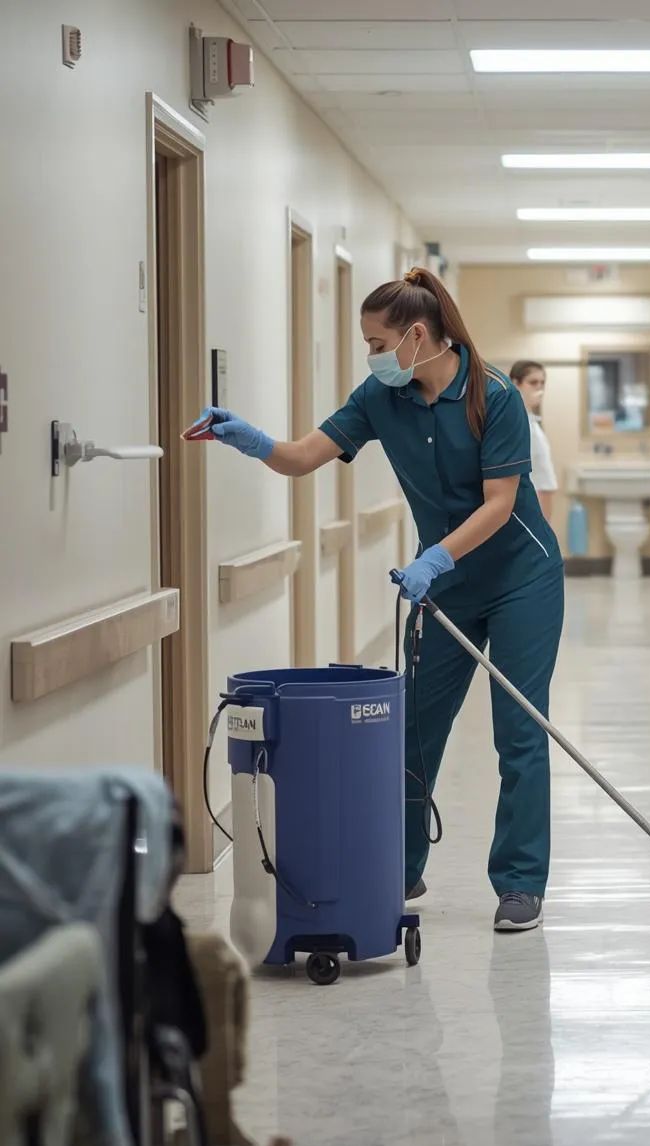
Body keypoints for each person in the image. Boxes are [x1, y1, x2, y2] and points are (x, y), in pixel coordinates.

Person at [192, 268, 564, 932]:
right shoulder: (379, 396)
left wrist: (435, 556)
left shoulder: (494, 394)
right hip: (446, 582)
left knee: (518, 730)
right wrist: (248, 438)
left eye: (374, 341)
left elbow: (501, 505)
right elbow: (304, 456)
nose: (370, 355)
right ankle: (399, 868)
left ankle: (519, 882)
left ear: (417, 336)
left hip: (519, 579)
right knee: (413, 730)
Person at [510, 360, 557, 520]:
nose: (539, 388)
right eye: (533, 382)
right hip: (528, 505)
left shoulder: (533, 423)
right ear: (516, 384)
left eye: (542, 383)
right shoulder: (513, 423)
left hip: (540, 505)